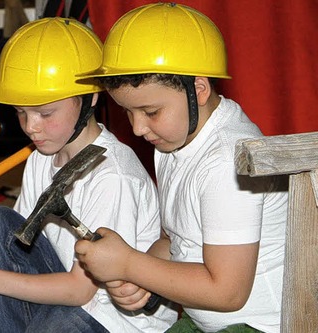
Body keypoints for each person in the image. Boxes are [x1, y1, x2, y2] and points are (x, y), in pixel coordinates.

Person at [0, 17, 177, 332]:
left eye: (45, 113)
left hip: (116, 318)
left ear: (90, 99)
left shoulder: (113, 175)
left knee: (54, 325)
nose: (31, 126)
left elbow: (81, 290)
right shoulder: (41, 158)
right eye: (21, 112)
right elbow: (14, 249)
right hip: (68, 291)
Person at [75, 3, 288, 332]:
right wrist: (143, 273)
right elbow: (175, 241)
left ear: (198, 90)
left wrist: (131, 265)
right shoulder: (173, 143)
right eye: (128, 112)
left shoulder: (226, 163)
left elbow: (227, 292)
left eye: (151, 111)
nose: (137, 129)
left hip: (258, 327)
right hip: (204, 322)